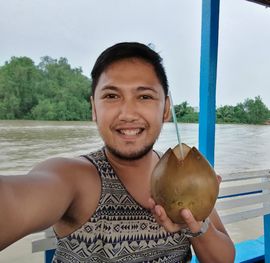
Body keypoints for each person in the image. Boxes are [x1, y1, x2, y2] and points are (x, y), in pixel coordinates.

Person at [0, 42, 235, 262]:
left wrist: (196, 227)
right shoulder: (75, 177)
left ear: (165, 109)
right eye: (112, 96)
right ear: (94, 109)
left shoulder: (185, 173)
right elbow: (14, 201)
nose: (128, 113)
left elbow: (224, 257)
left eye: (144, 96)